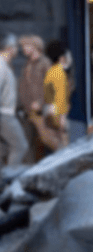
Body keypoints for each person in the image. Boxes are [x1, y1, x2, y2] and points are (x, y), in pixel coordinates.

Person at [17, 34, 51, 162]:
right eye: (22, 46)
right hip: (27, 112)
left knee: (46, 141)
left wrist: (40, 103)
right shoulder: (27, 64)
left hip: (40, 112)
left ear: (35, 46)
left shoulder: (44, 63)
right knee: (28, 145)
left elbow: (51, 87)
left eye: (26, 46)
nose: (23, 49)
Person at [0, 34, 29, 166]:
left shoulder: (5, 65)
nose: (18, 49)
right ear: (10, 48)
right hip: (4, 115)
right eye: (16, 47)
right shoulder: (1, 66)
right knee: (20, 146)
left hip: (5, 114)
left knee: (2, 150)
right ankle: (10, 176)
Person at [41, 40, 72, 152]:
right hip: (57, 114)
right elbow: (60, 97)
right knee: (63, 149)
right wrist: (62, 119)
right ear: (62, 58)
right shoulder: (59, 72)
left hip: (49, 112)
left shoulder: (51, 71)